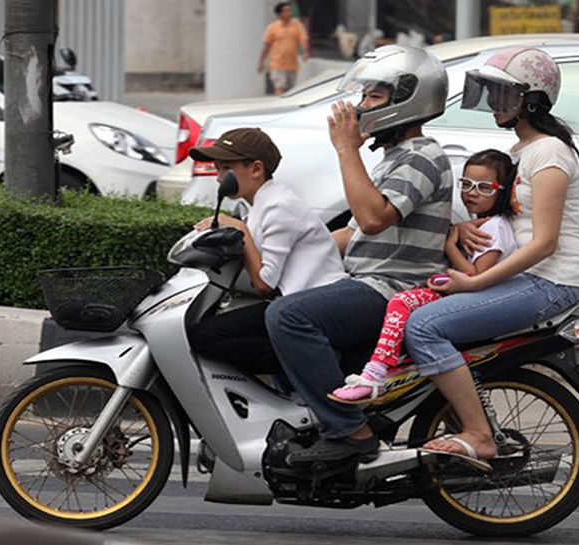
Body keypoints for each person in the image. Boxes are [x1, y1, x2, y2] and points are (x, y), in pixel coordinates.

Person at [264, 45, 452, 463]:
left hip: (393, 288)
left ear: (408, 99)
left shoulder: (423, 156)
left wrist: (346, 149)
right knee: (272, 303)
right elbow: (351, 234)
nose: (361, 106)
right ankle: (308, 417)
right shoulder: (393, 158)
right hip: (366, 280)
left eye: (374, 97)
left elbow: (371, 219)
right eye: (364, 95)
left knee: (289, 316)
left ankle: (350, 431)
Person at [404, 47, 579, 467]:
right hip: (528, 278)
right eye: (492, 93)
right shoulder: (522, 151)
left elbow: (544, 243)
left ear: (533, 100)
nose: (494, 103)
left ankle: (478, 434)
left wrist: (474, 283)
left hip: (551, 281)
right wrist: (460, 229)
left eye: (505, 95)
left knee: (425, 326)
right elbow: (502, 218)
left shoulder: (550, 154)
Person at [330, 149, 518, 403]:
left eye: (484, 187)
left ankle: (375, 374)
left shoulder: (495, 227)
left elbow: (476, 275)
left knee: (401, 302)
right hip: (454, 289)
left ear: (502, 190)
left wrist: (451, 246)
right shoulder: (478, 224)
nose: (472, 193)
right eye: (467, 184)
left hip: (471, 295)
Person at [187, 127, 346, 375]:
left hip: (309, 305)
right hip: (291, 302)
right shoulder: (259, 206)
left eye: (226, 169)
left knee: (206, 336)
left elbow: (265, 283)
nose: (219, 178)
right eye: (217, 169)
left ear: (256, 169)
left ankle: (316, 359)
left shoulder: (279, 207)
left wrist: (241, 231)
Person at [258, 2, 309, 95]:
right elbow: (266, 46)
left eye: (289, 10)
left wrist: (305, 52)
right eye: (286, 11)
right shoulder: (272, 28)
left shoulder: (297, 26)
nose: (289, 13)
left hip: (292, 65)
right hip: (277, 64)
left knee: (291, 91)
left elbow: (303, 40)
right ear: (280, 13)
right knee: (280, 88)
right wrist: (261, 63)